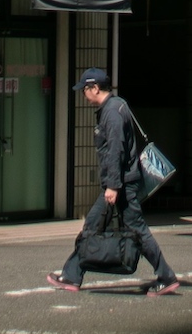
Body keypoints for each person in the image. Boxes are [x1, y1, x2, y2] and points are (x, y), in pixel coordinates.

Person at [48, 67, 180, 296]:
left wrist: (113, 186)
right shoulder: (116, 106)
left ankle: (166, 276)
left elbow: (115, 151)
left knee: (136, 229)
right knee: (92, 225)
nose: (83, 95)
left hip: (121, 185)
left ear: (95, 88)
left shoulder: (112, 112)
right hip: (121, 183)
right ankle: (72, 275)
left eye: (84, 90)